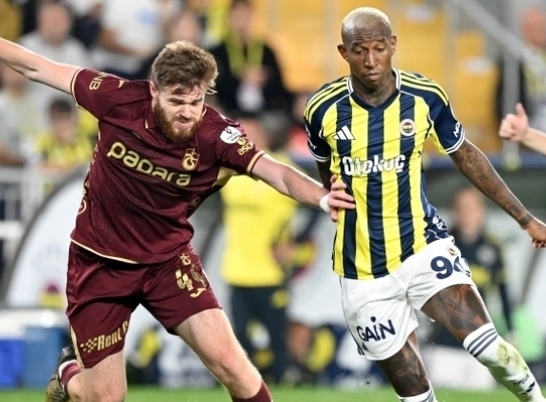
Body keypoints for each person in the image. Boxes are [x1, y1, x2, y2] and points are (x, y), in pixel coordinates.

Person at [0, 36, 355, 402]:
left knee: (236, 369)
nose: (187, 112)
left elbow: (276, 171)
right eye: (176, 101)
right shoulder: (117, 98)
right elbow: (37, 66)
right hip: (100, 264)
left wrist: (322, 196)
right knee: (105, 397)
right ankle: (68, 372)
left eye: (195, 102)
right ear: (154, 90)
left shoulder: (217, 135)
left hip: (167, 264)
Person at [304, 7, 546, 402]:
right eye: (360, 51)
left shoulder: (425, 97)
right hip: (362, 271)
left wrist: (525, 219)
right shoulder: (322, 109)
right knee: (416, 396)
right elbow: (325, 171)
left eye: (379, 48)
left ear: (393, 45)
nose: (371, 60)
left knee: (490, 348)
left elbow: (467, 157)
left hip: (422, 248)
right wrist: (329, 191)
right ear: (343, 52)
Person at [220, 112, 297, 384]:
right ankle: (251, 385)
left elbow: (314, 204)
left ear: (263, 137)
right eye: (240, 135)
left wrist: (297, 243)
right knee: (240, 335)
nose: (243, 140)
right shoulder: (228, 168)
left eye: (249, 135)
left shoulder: (281, 167)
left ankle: (284, 383)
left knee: (277, 337)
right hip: (237, 270)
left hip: (270, 272)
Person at [426, 186, 514, 390]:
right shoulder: (439, 247)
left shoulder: (493, 248)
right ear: (454, 210)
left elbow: (504, 295)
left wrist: (511, 334)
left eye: (472, 207)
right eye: (462, 207)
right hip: (444, 344)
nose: (467, 212)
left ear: (482, 210)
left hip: (482, 344)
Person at [209, 0, 293, 115]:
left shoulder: (266, 51)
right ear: (229, 19)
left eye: (246, 16)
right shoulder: (217, 52)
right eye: (238, 16)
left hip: (264, 113)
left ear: (253, 18)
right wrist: (240, 78)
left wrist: (263, 79)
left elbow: (280, 88)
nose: (242, 22)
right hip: (230, 112)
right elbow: (214, 88)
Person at [495, 7, 546, 132]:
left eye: (542, 25)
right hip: (531, 121)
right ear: (524, 30)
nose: (540, 29)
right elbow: (503, 99)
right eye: (534, 25)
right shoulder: (513, 60)